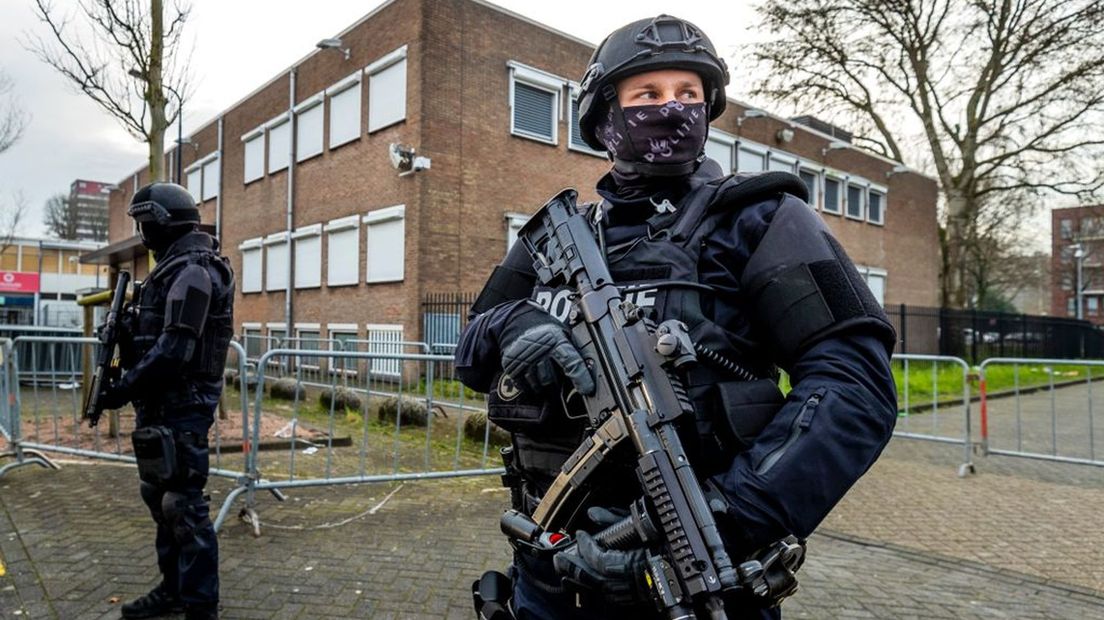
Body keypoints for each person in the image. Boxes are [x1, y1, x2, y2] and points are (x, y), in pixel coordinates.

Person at [456, 14, 898, 620]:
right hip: (548, 569)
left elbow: (854, 387)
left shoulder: (761, 219)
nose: (672, 110)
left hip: (688, 570)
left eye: (689, 94)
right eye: (648, 95)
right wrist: (511, 327)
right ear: (604, 117)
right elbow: (470, 350)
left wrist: (726, 519)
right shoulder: (556, 239)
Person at [98, 182, 235, 620]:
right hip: (160, 404)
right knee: (158, 497)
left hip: (184, 404)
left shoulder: (194, 271)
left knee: (183, 505)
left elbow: (176, 350)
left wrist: (125, 386)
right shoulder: (172, 269)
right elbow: (157, 338)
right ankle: (174, 589)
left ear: (162, 222)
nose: (141, 233)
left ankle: (200, 606)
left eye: (144, 223)